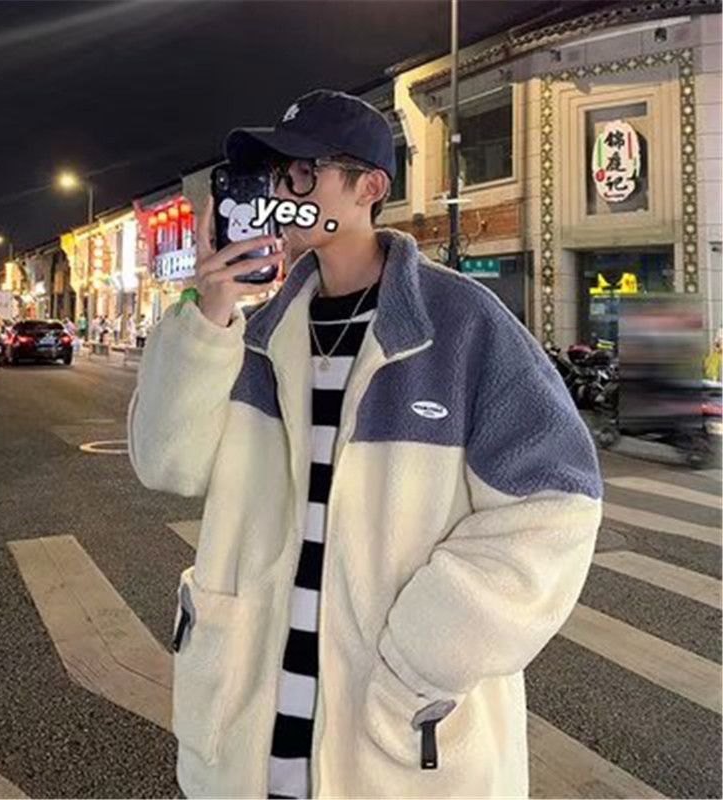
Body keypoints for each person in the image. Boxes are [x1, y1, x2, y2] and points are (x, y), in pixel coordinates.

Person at [128, 90, 602, 799]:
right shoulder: (251, 336)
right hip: (249, 740)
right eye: (274, 175)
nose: (281, 193)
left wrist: (420, 657)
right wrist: (209, 313)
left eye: (301, 172)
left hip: (395, 740)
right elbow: (167, 464)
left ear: (369, 188)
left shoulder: (461, 325)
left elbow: (556, 507)